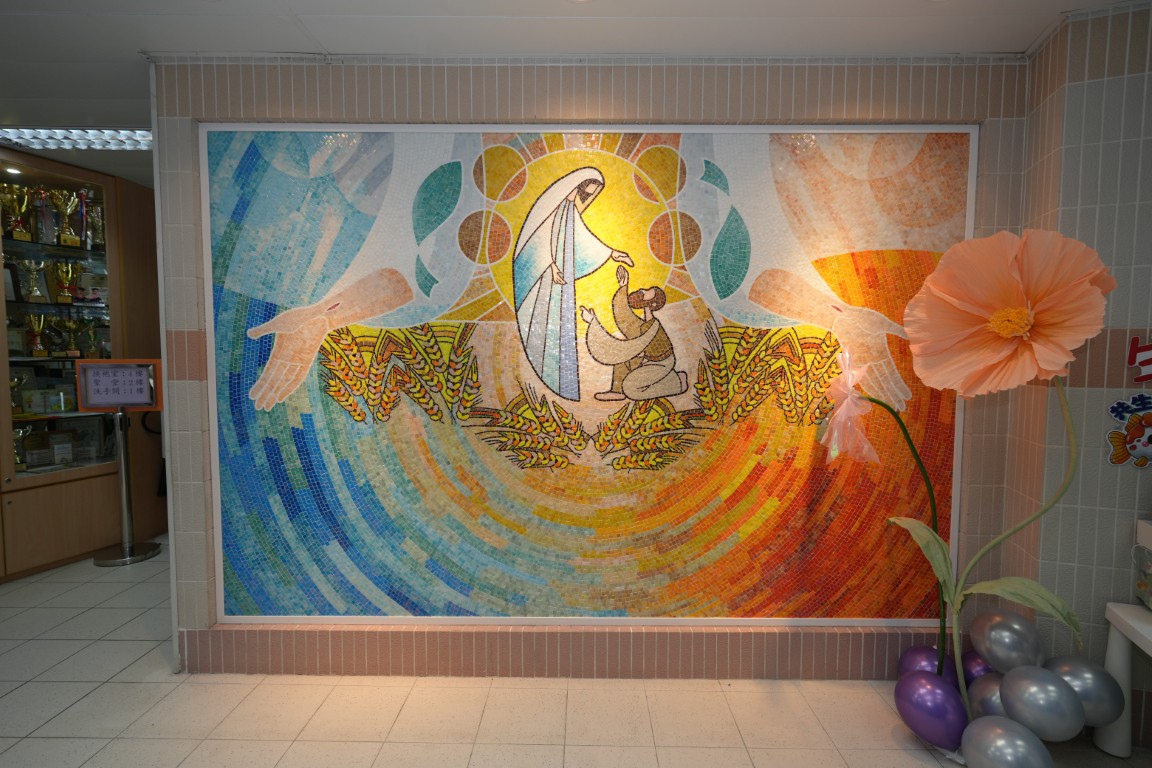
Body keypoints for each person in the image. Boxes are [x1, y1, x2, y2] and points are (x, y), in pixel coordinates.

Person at [513, 167, 632, 401]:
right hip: (546, 277)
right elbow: (540, 239)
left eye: (592, 194)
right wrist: (551, 265)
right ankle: (551, 371)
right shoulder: (555, 209)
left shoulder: (569, 210)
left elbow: (582, 239)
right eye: (587, 192)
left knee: (561, 321)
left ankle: (562, 380)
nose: (587, 197)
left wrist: (611, 253)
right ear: (576, 187)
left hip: (559, 277)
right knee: (545, 319)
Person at [581, 265, 688, 401]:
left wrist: (593, 323)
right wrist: (623, 286)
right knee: (622, 359)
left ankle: (676, 382)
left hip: (661, 363)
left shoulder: (652, 328)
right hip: (647, 359)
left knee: (631, 388)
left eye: (648, 292)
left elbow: (625, 342)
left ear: (652, 305)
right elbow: (624, 318)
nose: (642, 290)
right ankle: (617, 391)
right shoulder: (644, 325)